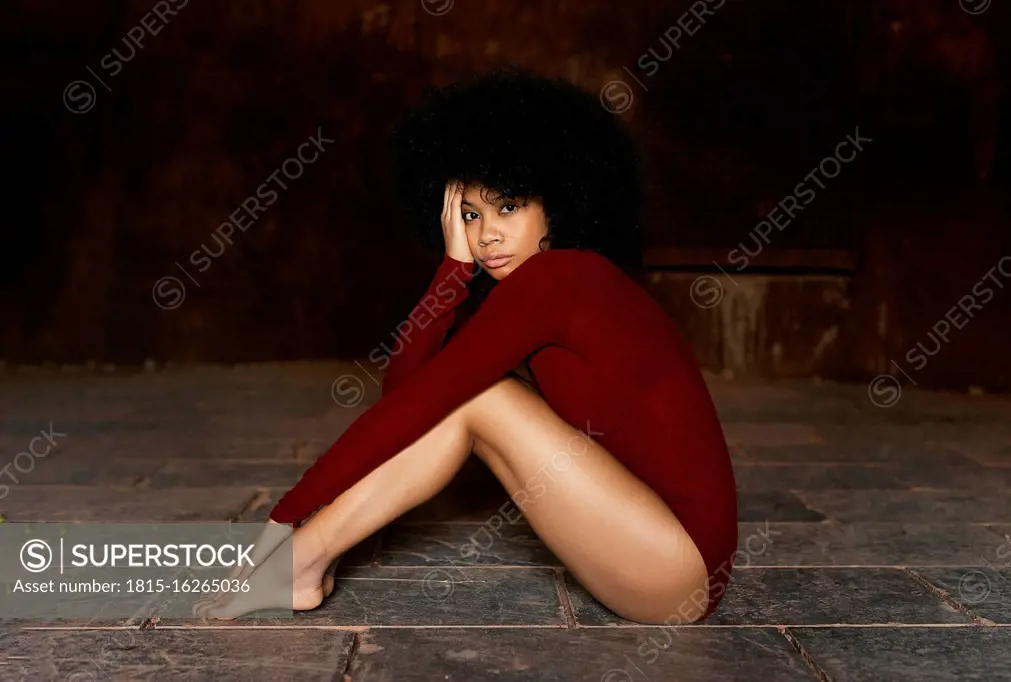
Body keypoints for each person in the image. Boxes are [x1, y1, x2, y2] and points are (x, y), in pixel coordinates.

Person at [194, 66, 737, 624]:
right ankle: (299, 564)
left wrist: (283, 519)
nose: (487, 235)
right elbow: (407, 393)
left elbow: (423, 403)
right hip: (645, 549)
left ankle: (295, 563)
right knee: (470, 395)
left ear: (558, 204)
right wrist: (453, 267)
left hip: (676, 563)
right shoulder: (536, 290)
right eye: (471, 215)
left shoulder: (563, 278)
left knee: (482, 397)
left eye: (508, 207)